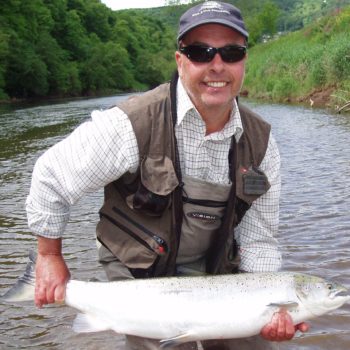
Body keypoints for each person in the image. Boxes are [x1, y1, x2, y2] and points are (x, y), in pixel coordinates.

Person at [26, 1, 309, 349]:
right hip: (140, 272)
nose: (217, 66)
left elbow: (259, 237)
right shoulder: (130, 123)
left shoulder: (262, 144)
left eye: (231, 52)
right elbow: (50, 176)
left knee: (249, 342)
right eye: (200, 52)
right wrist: (49, 257)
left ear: (244, 62)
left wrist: (261, 309)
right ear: (180, 60)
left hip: (215, 271)